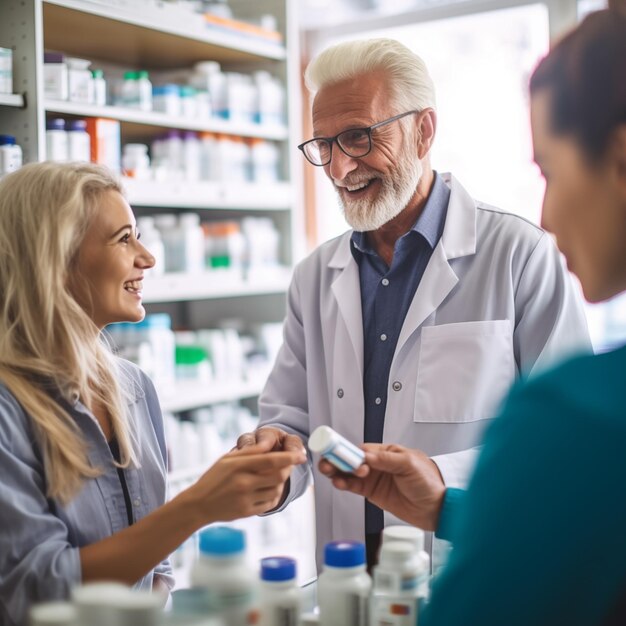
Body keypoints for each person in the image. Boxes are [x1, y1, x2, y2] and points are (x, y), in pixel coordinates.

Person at [320, 5, 626, 624]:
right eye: (324, 145)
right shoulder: (319, 272)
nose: (547, 215)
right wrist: (444, 507)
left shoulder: (580, 412)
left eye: (551, 171)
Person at [237, 37, 590, 568]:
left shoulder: (520, 255)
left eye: (357, 137)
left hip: (471, 570)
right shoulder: (314, 277)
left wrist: (441, 482)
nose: (338, 169)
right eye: (323, 146)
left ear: (423, 131)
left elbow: (570, 441)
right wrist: (275, 461)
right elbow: (293, 420)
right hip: (350, 577)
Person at [0, 161, 306, 625]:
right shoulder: (9, 407)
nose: (147, 258)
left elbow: (156, 567)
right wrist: (200, 504)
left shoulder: (134, 388)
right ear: (56, 258)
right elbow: (35, 594)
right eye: (124, 239)